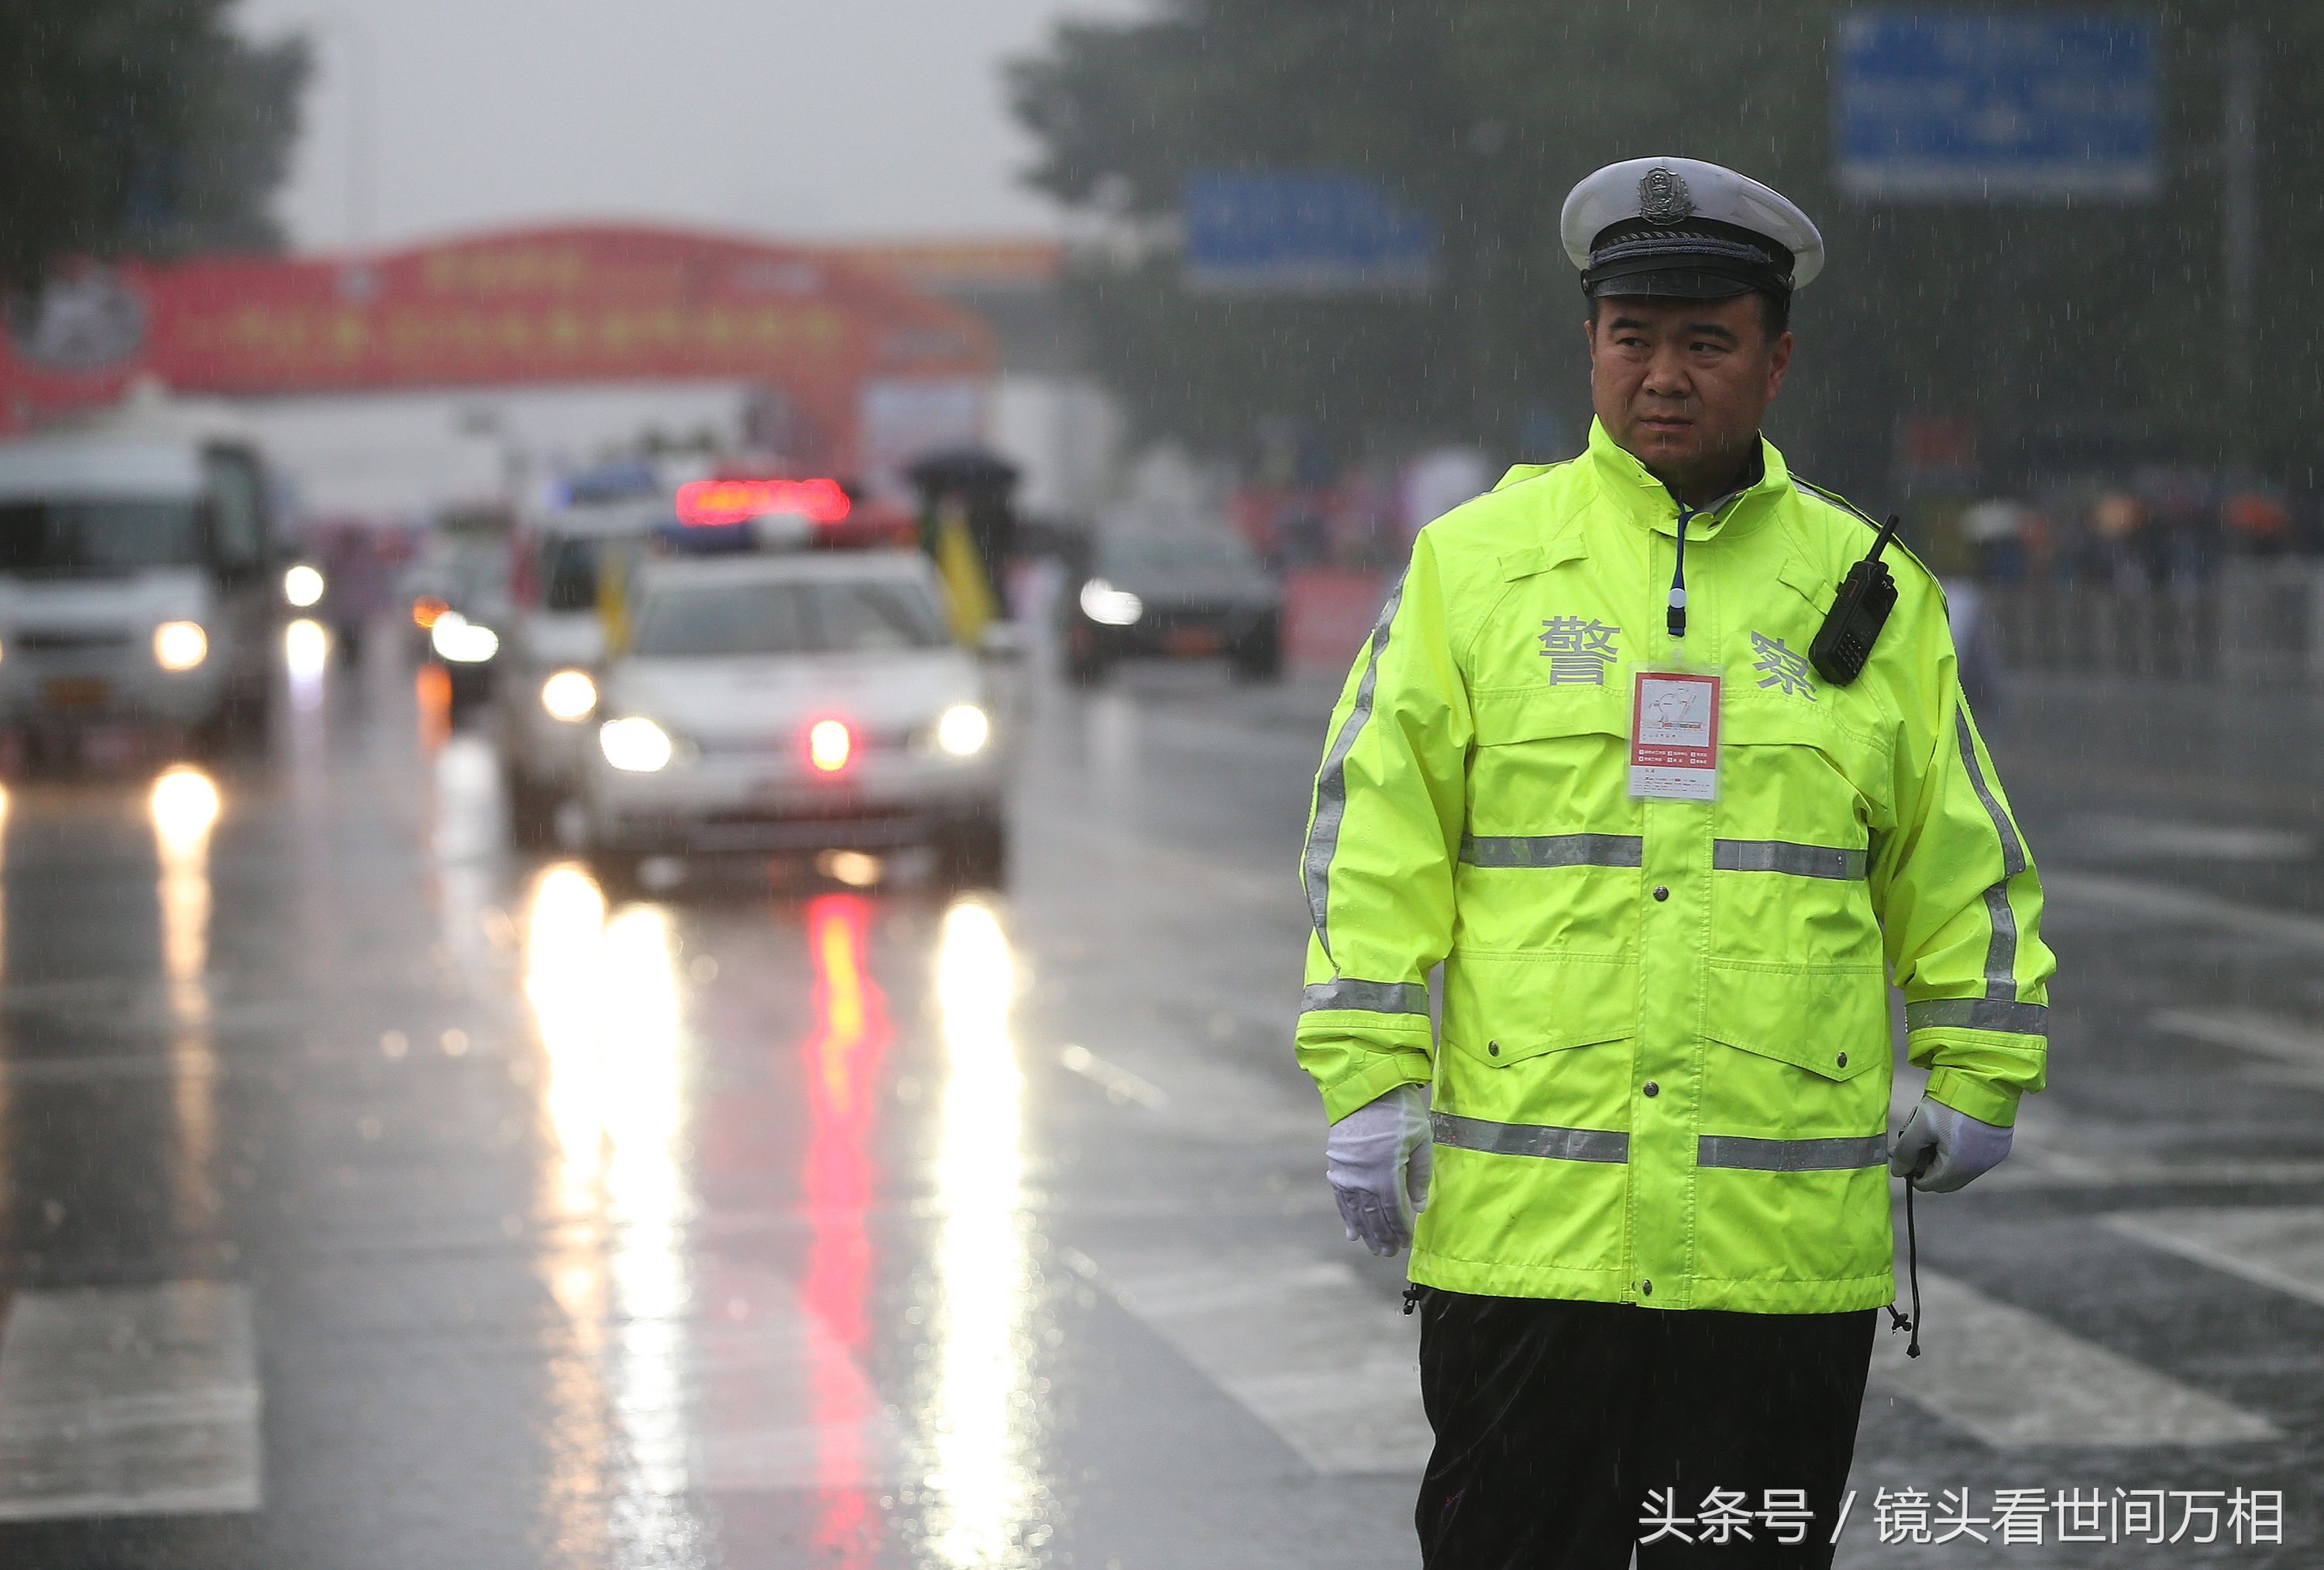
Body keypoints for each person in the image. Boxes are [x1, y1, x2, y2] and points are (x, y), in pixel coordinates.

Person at [1294, 156, 2054, 1568]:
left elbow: (1957, 857)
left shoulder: (1871, 593)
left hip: (1777, 1258)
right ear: (1589, 345)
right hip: (1532, 1240)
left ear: (1776, 360)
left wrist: (1980, 1066)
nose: (1662, 374)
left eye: (1706, 340)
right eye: (1630, 336)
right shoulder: (1475, 567)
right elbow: (1373, 835)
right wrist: (1368, 1076)